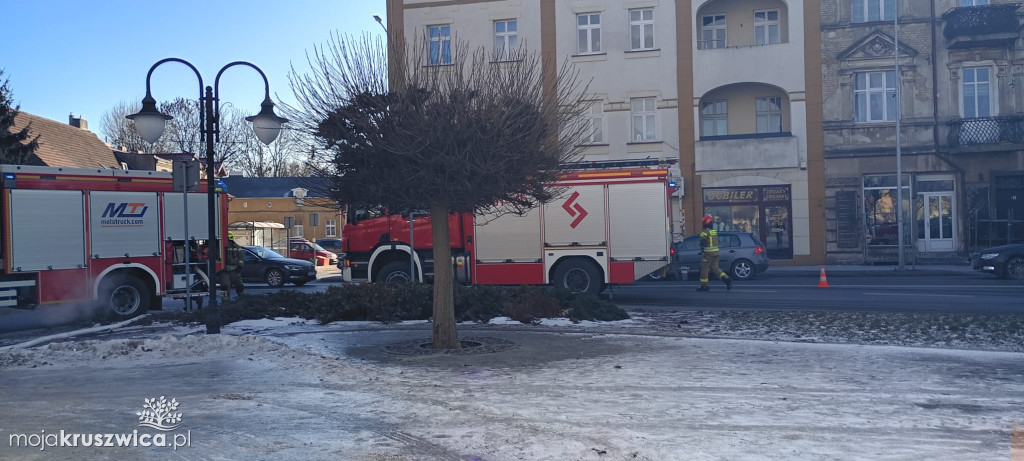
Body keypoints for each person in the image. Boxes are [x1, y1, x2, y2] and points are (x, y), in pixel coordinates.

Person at [697, 215, 732, 292]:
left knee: (704, 269)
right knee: (715, 268)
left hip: (708, 254)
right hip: (716, 253)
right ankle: (727, 279)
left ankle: (704, 286)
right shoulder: (713, 231)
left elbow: (702, 241)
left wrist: (702, 249)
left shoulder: (705, 231)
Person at [219, 232, 245, 301]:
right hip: (224, 271)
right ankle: (225, 303)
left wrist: (240, 266)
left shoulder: (236, 247)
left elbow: (241, 257)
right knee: (225, 287)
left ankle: (243, 301)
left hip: (235, 270)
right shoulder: (220, 246)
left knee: (239, 286)